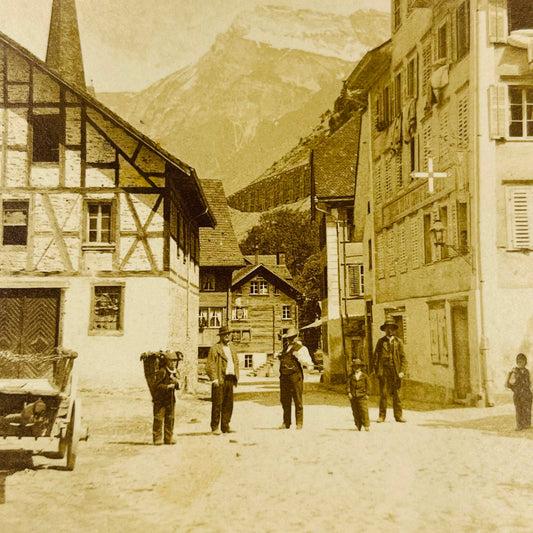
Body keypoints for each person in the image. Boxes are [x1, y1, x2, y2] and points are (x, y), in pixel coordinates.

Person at [372, 316, 408, 423]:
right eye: (387, 328)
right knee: (383, 394)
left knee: (397, 394)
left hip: (396, 372)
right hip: (384, 371)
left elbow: (403, 358)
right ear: (385, 330)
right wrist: (377, 371)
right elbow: (375, 357)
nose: (390, 330)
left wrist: (402, 371)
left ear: (394, 329)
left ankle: (398, 416)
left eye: (391, 328)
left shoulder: (399, 342)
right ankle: (382, 416)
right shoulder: (380, 342)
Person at [206, 325, 240, 435]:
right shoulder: (215, 348)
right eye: (224, 334)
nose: (227, 336)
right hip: (220, 379)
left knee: (228, 404)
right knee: (217, 404)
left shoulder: (232, 348)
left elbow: (236, 362)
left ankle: (225, 426)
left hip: (230, 378)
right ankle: (215, 427)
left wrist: (236, 375)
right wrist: (214, 378)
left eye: (228, 334)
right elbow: (210, 365)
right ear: (220, 336)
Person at [278, 327, 313, 429]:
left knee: (297, 399)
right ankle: (286, 422)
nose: (290, 339)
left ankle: (299, 423)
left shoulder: (302, 348)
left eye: (292, 337)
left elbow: (308, 363)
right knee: (285, 400)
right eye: (289, 338)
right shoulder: (285, 348)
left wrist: (299, 356)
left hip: (295, 377)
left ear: (296, 337)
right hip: (284, 377)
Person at [152, 351, 181, 445]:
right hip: (160, 399)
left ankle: (168, 438)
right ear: (167, 361)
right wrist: (167, 387)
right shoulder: (162, 371)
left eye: (175, 361)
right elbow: (156, 385)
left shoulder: (175, 372)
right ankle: (157, 438)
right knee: (158, 418)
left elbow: (178, 386)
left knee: (170, 418)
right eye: (171, 361)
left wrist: (176, 382)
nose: (173, 363)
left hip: (170, 399)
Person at [506, 353, 532, 431]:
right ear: (517, 362)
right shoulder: (515, 371)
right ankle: (519, 425)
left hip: (527, 394)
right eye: (519, 362)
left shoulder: (527, 372)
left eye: (522, 362)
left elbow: (530, 382)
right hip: (518, 394)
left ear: (525, 362)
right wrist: (515, 387)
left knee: (527, 409)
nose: (520, 363)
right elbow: (510, 382)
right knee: (519, 409)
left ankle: (527, 424)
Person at [347, 358, 370, 431]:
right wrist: (349, 393)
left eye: (358, 367)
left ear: (361, 368)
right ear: (353, 368)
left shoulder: (364, 376)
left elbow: (368, 385)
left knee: (364, 411)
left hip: (362, 396)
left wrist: (367, 394)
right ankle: (358, 425)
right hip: (353, 396)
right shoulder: (350, 376)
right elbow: (348, 385)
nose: (356, 369)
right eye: (355, 367)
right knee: (355, 411)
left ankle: (366, 425)